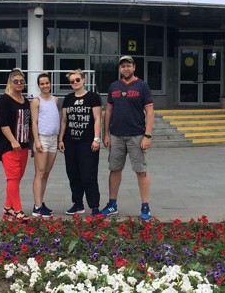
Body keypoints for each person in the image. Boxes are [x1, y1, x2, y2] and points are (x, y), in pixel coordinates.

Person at [102, 56, 154, 220]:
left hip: (137, 135)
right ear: (119, 68)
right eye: (123, 66)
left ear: (134, 67)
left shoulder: (142, 86)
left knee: (141, 171)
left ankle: (145, 206)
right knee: (114, 169)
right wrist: (106, 134)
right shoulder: (114, 86)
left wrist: (147, 135)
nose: (125, 68)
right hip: (116, 135)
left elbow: (150, 111)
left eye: (128, 66)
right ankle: (112, 205)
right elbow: (108, 111)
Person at [59, 69, 103, 216]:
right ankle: (78, 204)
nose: (75, 83)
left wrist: (96, 139)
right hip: (70, 142)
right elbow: (64, 120)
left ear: (83, 80)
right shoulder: (68, 98)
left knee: (88, 175)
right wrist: (60, 139)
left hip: (87, 142)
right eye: (72, 81)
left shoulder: (93, 97)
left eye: (77, 80)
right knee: (73, 174)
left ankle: (94, 206)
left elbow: (97, 119)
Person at [0, 68, 31, 221]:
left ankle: (8, 207)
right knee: (13, 177)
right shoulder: (4, 100)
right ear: (10, 82)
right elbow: (2, 123)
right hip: (9, 146)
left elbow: (28, 123)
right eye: (16, 81)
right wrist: (13, 141)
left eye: (21, 81)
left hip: (24, 145)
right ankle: (18, 210)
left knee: (16, 178)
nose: (19, 83)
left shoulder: (25, 100)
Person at [30, 73, 60, 218]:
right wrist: (36, 141)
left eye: (47, 83)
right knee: (40, 172)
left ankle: (40, 202)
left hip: (53, 139)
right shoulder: (36, 101)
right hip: (42, 138)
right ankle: (37, 207)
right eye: (42, 84)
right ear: (39, 86)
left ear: (50, 83)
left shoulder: (55, 100)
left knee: (46, 173)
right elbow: (34, 122)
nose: (45, 86)